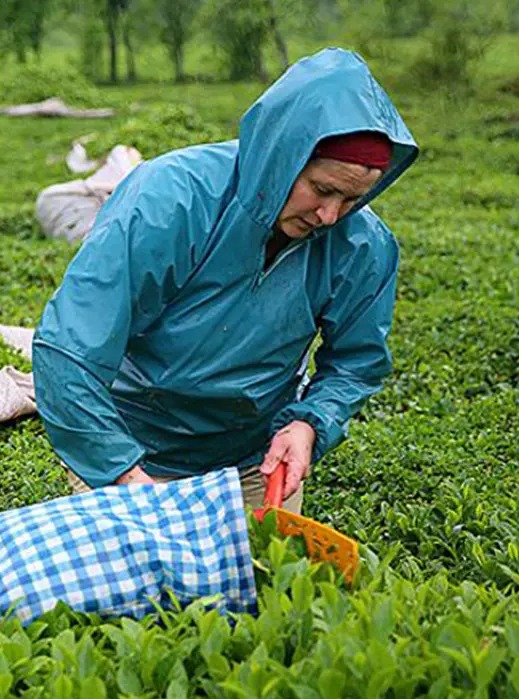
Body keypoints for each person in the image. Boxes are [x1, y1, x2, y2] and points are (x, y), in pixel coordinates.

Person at [32, 48, 419, 511]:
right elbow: (69, 348)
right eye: (321, 190)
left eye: (352, 199)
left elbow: (355, 362)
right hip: (127, 449)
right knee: (135, 583)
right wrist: (121, 473)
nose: (330, 215)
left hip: (253, 464)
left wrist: (310, 423)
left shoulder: (363, 245)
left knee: (264, 580)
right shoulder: (169, 199)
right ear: (283, 157)